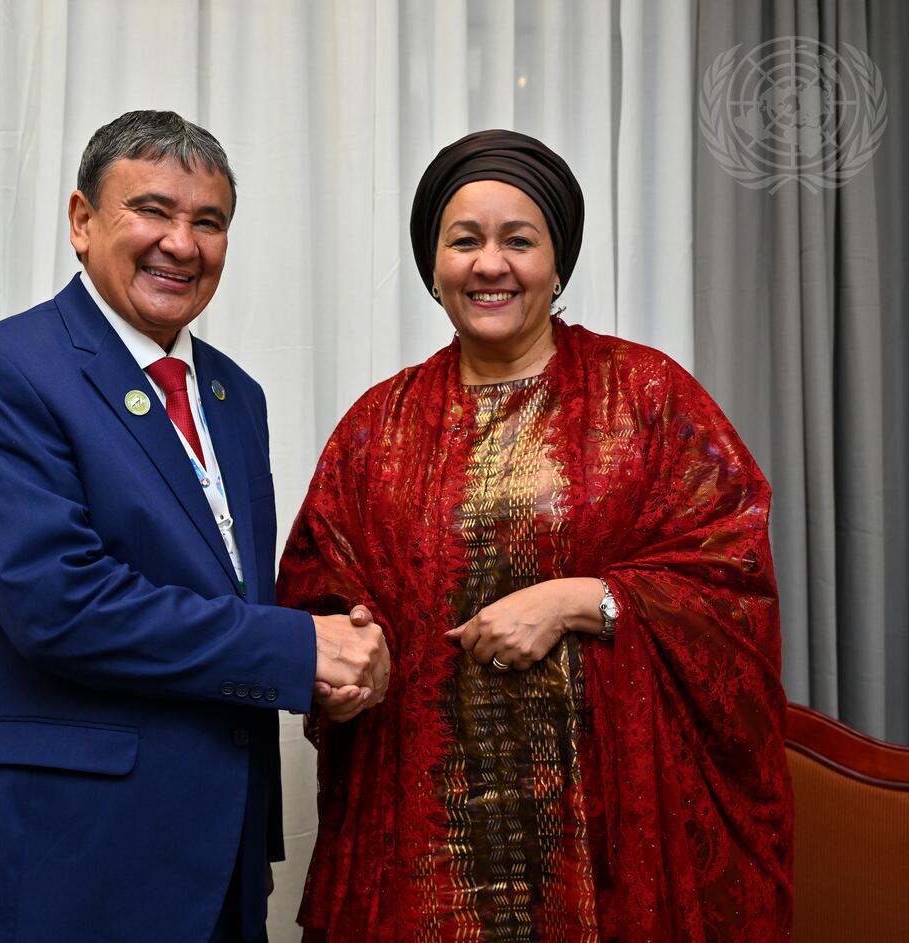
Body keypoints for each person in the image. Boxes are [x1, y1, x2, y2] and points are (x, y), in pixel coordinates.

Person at [278, 129, 793, 941]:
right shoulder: (377, 428)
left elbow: (732, 575)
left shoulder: (646, 396)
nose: (490, 264)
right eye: (464, 241)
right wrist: (344, 664)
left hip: (609, 844)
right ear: (433, 266)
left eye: (518, 240)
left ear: (558, 265)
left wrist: (582, 599)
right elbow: (320, 591)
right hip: (425, 849)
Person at [0, 110, 389, 943]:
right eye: (152, 211)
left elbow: (228, 594)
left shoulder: (235, 396)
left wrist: (331, 666)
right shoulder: (3, 371)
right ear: (82, 221)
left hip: (216, 862)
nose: (182, 244)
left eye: (209, 221)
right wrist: (296, 648)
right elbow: (60, 605)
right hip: (63, 861)